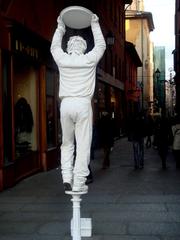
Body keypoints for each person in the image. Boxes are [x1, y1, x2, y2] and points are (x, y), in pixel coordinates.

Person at [50, 11, 106, 192]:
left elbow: (54, 47)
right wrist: (95, 24)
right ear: (83, 47)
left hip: (66, 104)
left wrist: (60, 27)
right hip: (82, 104)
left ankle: (67, 176)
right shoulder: (88, 59)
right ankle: (80, 179)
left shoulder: (63, 59)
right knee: (83, 144)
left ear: (69, 46)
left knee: (67, 143)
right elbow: (101, 46)